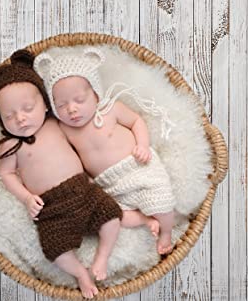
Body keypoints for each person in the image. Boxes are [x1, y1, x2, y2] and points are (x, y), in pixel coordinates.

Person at [0, 49, 122, 298]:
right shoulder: (10, 146)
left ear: (45, 103)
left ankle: (102, 257)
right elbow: (7, 175)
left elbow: (81, 146)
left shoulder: (56, 124)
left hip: (83, 190)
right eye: (9, 115)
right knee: (55, 251)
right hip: (51, 207)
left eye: (28, 107)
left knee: (112, 217)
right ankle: (81, 273)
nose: (20, 118)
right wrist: (27, 198)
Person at [35, 47, 176, 254]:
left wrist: (143, 145)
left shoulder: (111, 109)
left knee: (162, 201)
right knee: (115, 215)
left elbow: (137, 121)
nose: (72, 109)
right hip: (107, 182)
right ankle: (145, 220)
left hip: (137, 166)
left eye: (79, 100)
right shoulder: (63, 129)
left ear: (96, 94)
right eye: (62, 105)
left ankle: (166, 233)